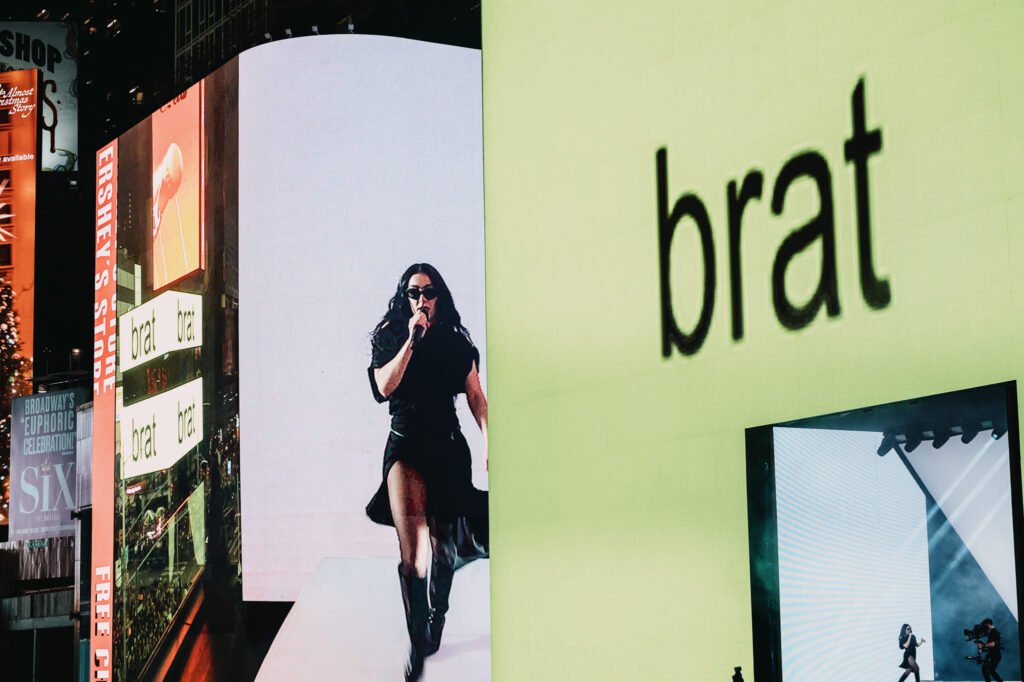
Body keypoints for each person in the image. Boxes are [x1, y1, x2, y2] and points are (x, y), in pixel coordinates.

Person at [366, 263, 489, 682]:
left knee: (444, 548)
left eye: (430, 292)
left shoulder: (455, 343)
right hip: (406, 447)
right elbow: (384, 388)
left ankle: (438, 618)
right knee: (414, 550)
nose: (423, 299)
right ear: (405, 297)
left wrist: (490, 439)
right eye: (415, 292)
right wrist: (411, 340)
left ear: (441, 297)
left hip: (449, 450)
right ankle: (417, 641)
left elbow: (475, 395)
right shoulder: (389, 336)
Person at [978, 618, 1003, 682]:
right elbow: (991, 645)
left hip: (995, 656)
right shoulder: (992, 632)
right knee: (990, 671)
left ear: (988, 624)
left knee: (986, 670)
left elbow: (993, 644)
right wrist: (982, 646)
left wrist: (983, 645)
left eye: (984, 625)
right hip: (993, 655)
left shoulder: (994, 632)